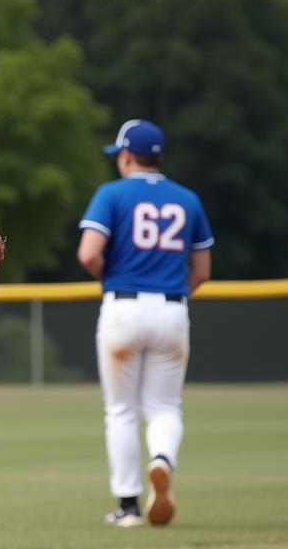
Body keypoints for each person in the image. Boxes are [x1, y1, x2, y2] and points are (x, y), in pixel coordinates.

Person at [77, 120, 214, 528]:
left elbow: (88, 254)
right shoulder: (188, 199)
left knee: (120, 411)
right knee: (164, 407)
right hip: (172, 309)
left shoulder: (112, 194)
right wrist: (173, 291)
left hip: (123, 306)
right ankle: (162, 460)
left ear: (126, 156)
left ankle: (128, 507)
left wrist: (111, 275)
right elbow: (202, 270)